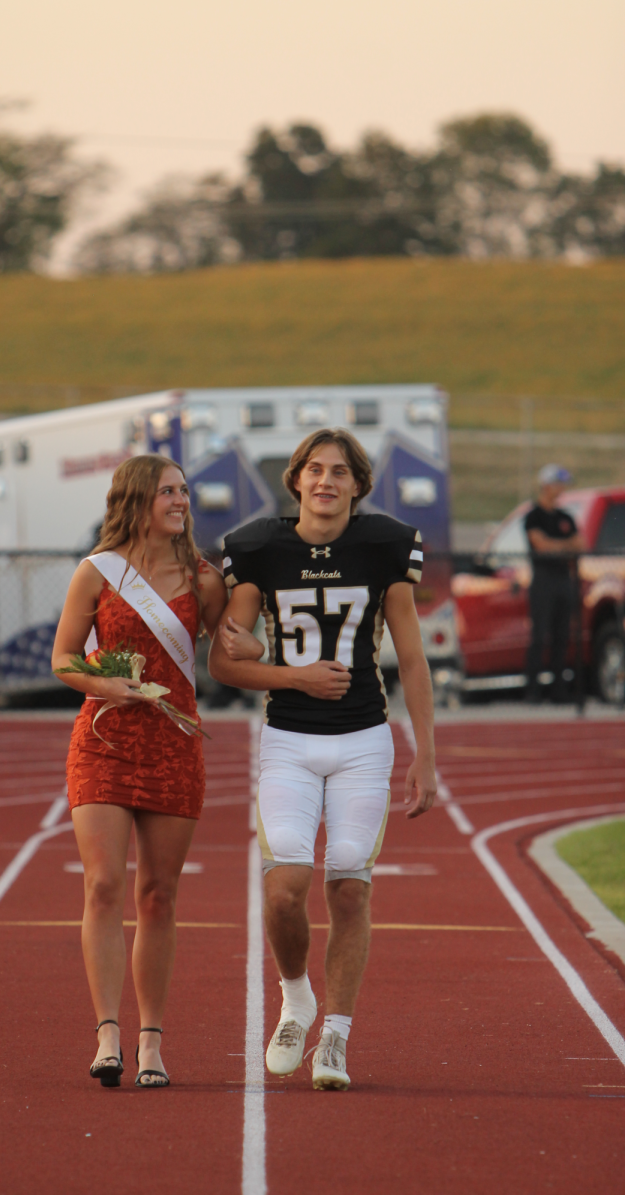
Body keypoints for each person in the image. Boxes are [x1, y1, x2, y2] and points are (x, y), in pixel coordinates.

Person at [208, 428, 437, 1091]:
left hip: (365, 739)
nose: (326, 481)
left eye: (340, 471)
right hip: (289, 739)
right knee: (284, 891)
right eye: (315, 469)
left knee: (349, 885)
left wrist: (426, 752)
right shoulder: (261, 548)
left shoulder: (383, 544)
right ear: (296, 480)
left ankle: (334, 1035)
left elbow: (413, 657)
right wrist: (293, 676)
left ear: (358, 485)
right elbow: (226, 659)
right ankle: (296, 996)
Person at [52, 454, 260, 1088]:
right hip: (103, 740)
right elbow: (64, 660)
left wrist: (253, 645)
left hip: (174, 745)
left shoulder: (204, 579)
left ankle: (151, 1041)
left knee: (159, 896)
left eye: (184, 491)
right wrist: (113, 688)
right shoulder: (96, 572)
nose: (181, 500)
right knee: (105, 886)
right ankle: (107, 1034)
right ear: (137, 499)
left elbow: (231, 650)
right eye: (168, 491)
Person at [523, 464, 584, 703]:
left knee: (562, 636)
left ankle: (559, 692)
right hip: (543, 581)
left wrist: (556, 546)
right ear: (546, 486)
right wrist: (563, 546)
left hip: (563, 580)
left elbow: (580, 544)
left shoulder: (565, 517)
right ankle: (533, 692)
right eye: (557, 485)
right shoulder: (533, 516)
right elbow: (542, 546)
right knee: (539, 636)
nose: (561, 490)